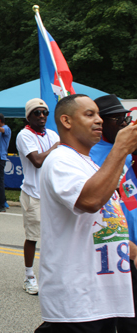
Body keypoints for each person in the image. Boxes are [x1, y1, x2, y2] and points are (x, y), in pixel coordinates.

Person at [36, 94, 137, 333]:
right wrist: (122, 147)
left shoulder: (89, 163)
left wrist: (132, 250)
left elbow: (104, 222)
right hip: (77, 302)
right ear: (67, 121)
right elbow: (89, 201)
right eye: (89, 114)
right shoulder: (60, 159)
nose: (99, 120)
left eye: (99, 115)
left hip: (101, 297)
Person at [89, 94, 137, 332]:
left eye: (125, 118)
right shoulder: (91, 154)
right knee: (119, 317)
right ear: (101, 122)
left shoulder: (126, 149)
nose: (124, 124)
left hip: (132, 239)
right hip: (115, 246)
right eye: (117, 119)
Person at [16, 98, 59, 296]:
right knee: (33, 238)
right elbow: (37, 161)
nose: (42, 116)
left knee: (54, 238)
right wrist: (55, 149)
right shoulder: (24, 135)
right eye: (36, 113)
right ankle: (29, 277)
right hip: (34, 194)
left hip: (53, 195)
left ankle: (53, 276)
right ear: (28, 116)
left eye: (44, 112)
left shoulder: (52, 134)